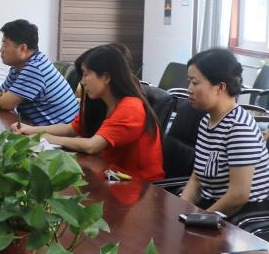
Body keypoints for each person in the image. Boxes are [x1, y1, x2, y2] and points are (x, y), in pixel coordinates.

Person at [11, 44, 164, 181]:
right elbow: (72, 128)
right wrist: (32, 130)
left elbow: (92, 145)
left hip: (140, 186)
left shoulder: (131, 107)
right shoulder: (101, 102)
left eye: (86, 74)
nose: (82, 82)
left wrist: (47, 138)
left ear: (106, 77)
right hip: (110, 175)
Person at [180, 48, 269, 217]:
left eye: (195, 83)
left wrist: (198, 219)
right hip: (213, 207)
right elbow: (196, 180)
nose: (189, 89)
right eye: (189, 82)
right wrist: (180, 211)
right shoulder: (206, 121)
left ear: (220, 87)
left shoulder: (239, 128)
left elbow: (238, 196)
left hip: (242, 216)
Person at [0, 19, 78, 125]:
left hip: (58, 133)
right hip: (35, 127)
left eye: (5, 45)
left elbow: (6, 104)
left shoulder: (35, 68)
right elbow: (0, 92)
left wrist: (1, 98)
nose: (1, 49)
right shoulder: (17, 67)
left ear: (23, 48)